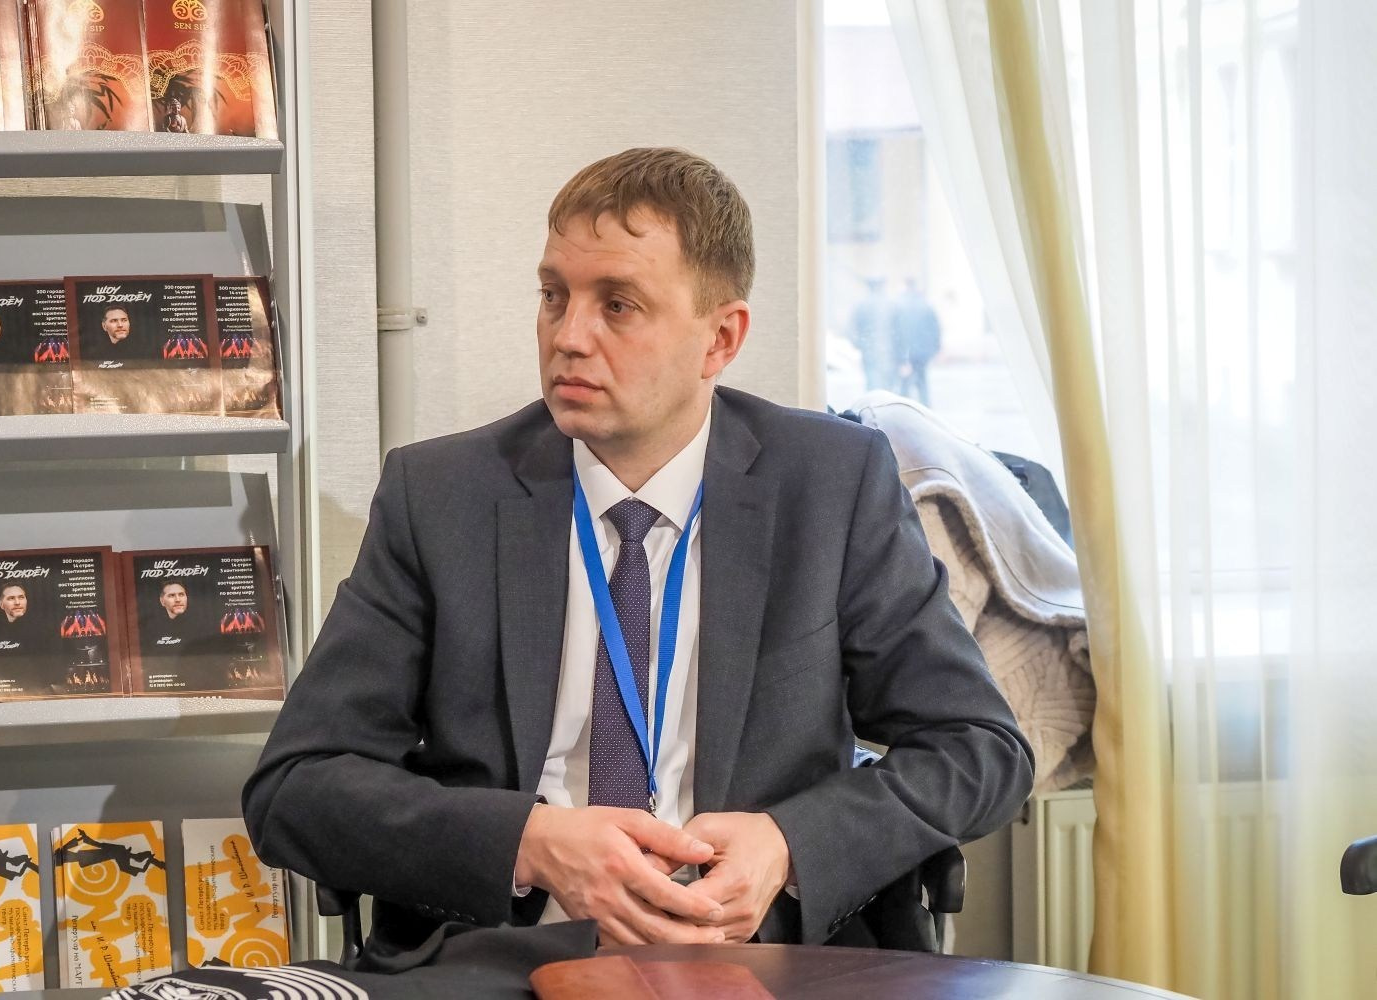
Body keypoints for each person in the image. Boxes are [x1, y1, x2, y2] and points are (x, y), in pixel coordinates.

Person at [243, 148, 1032, 949]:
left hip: (760, 954)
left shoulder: (831, 486)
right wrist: (528, 843)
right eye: (553, 296)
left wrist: (788, 844)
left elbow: (981, 749)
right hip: (509, 953)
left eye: (618, 305)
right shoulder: (443, 496)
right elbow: (296, 787)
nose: (568, 337)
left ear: (720, 338)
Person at [891, 278, 941, 406]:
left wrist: (898, 355)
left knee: (905, 383)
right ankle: (925, 407)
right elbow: (935, 329)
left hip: (906, 351)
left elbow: (896, 332)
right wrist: (935, 348)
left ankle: (904, 407)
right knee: (922, 381)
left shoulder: (898, 305)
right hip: (923, 352)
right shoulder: (926, 305)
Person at [845, 277, 893, 393]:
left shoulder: (861, 305)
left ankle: (874, 400)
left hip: (869, 349)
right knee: (887, 383)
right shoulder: (890, 304)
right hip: (888, 350)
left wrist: (859, 343)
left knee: (872, 382)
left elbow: (851, 328)